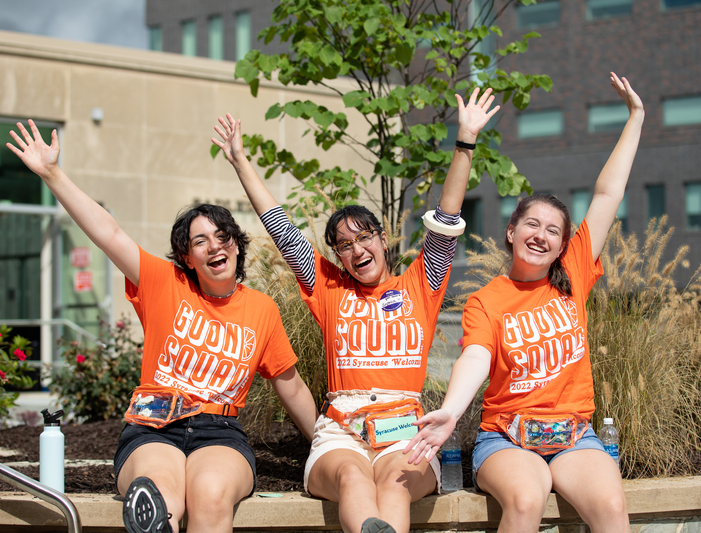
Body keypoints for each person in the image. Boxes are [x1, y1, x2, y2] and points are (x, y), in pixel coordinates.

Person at [212, 88, 500, 533]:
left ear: (382, 239)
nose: (356, 249)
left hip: (404, 427)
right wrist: (239, 160)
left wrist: (464, 142)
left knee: (395, 486)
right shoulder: (329, 287)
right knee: (351, 478)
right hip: (340, 430)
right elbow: (281, 228)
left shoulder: (420, 285)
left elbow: (447, 215)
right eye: (343, 245)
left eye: (364, 237)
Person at [7, 121, 317, 533]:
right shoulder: (163, 282)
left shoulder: (261, 309)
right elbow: (109, 232)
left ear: (236, 245)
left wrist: (328, 442)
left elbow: (290, 384)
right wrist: (52, 173)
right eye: (199, 241)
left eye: (222, 236)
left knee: (210, 495)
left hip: (220, 432)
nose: (214, 246)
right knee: (159, 492)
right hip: (153, 426)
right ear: (187, 258)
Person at [404, 72, 643, 533]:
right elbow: (474, 357)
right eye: (532, 225)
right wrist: (452, 411)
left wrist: (635, 117)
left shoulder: (571, 274)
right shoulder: (487, 299)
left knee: (613, 510)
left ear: (562, 246)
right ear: (512, 233)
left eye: (554, 230)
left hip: (575, 438)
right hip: (507, 440)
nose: (542, 235)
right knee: (527, 498)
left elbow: (608, 193)